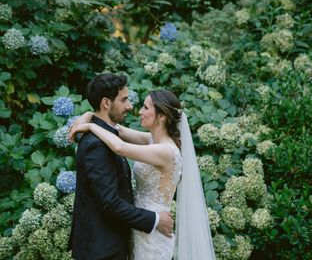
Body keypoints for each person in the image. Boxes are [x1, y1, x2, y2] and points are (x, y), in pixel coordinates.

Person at [70, 89, 215, 260]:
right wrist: (89, 114)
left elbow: (120, 147)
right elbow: (116, 129)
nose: (139, 111)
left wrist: (89, 126)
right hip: (139, 225)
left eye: (146, 108)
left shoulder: (166, 152)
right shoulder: (152, 140)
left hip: (152, 232)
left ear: (161, 116)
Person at [68, 73, 174, 260]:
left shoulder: (110, 134)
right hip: (101, 249)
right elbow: (110, 202)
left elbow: (120, 142)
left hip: (117, 243)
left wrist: (90, 118)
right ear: (106, 103)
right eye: (124, 100)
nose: (130, 107)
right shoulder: (96, 144)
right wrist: (155, 220)